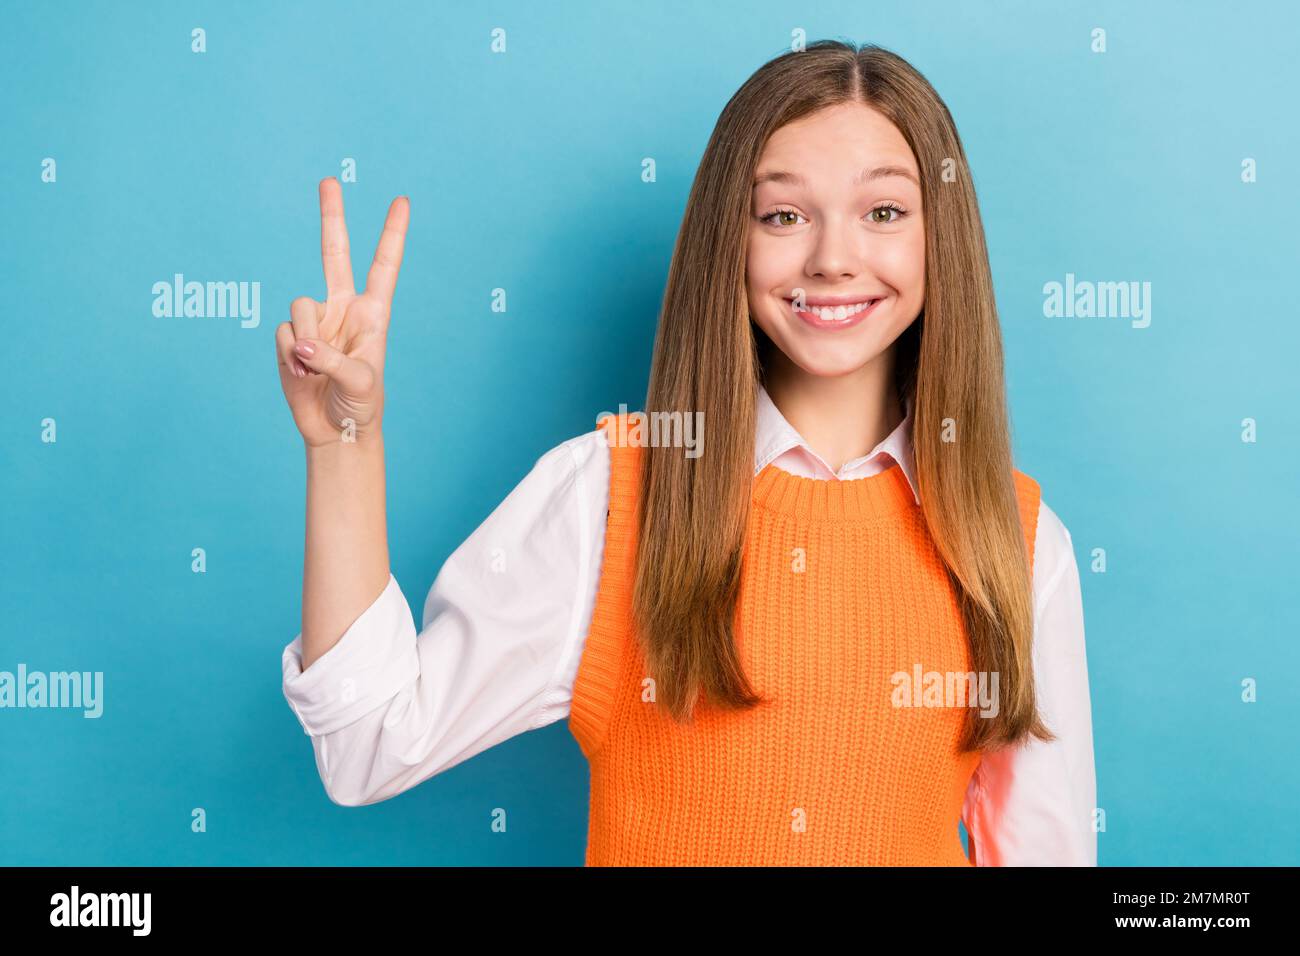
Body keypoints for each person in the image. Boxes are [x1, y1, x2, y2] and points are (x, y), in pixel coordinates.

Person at [276, 40, 1096, 867]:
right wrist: (345, 443)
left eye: (883, 212)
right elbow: (367, 748)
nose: (833, 258)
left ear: (938, 239)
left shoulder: (1017, 542)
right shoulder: (609, 496)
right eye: (783, 214)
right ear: (727, 242)